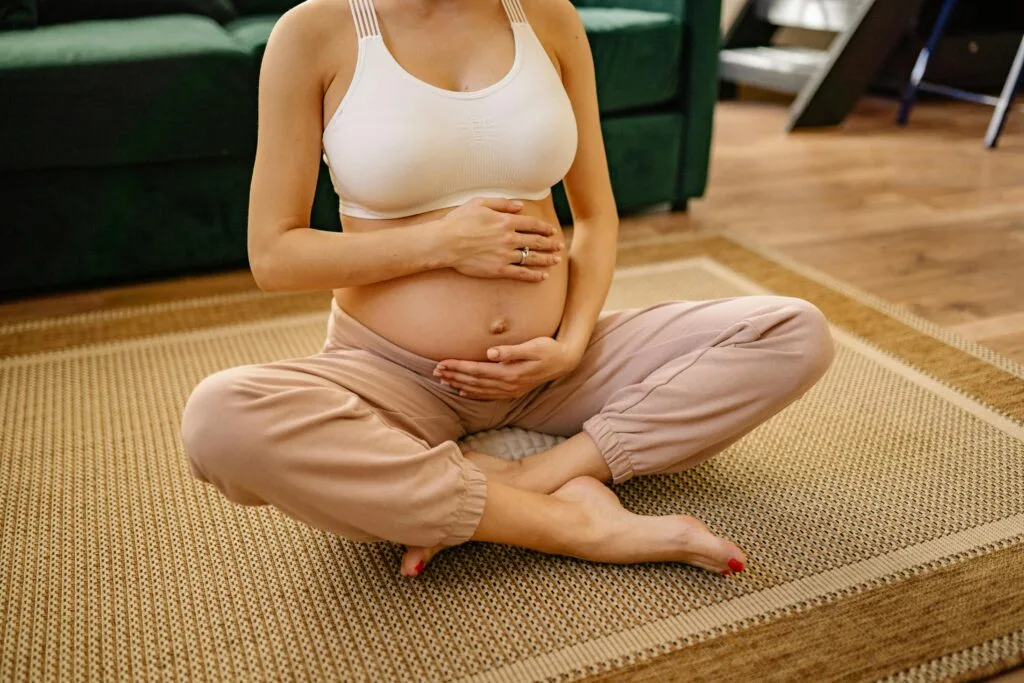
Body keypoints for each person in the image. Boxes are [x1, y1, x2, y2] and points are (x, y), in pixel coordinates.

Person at [181, 0, 835, 579]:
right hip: (394, 376)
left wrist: (573, 343)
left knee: (794, 332)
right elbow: (275, 255)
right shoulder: (316, 31)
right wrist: (440, 242)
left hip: (554, 369)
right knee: (220, 418)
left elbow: (597, 217)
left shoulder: (547, 17)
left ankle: (521, 475)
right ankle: (572, 523)